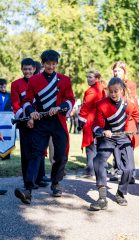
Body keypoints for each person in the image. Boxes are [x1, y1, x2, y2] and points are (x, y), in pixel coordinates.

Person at [14, 49, 75, 204]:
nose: (50, 66)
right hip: (41, 123)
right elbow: (27, 100)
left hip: (58, 121)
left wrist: (60, 107)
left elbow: (70, 100)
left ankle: (56, 182)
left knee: (61, 154)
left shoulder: (64, 80)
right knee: (35, 154)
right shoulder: (35, 80)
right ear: (42, 63)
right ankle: (27, 189)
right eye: (48, 63)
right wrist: (31, 111)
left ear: (57, 64)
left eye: (53, 63)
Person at [90, 77, 139, 211]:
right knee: (98, 161)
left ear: (122, 91)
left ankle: (120, 193)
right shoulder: (101, 104)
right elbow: (96, 124)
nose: (113, 94)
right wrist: (103, 131)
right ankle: (102, 197)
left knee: (128, 168)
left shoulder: (130, 103)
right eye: (111, 92)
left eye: (116, 91)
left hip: (123, 136)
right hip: (108, 137)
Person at [11, 58, 47, 189]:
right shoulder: (16, 84)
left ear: (34, 69)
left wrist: (35, 116)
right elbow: (15, 104)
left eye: (29, 69)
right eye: (25, 69)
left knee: (39, 150)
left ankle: (39, 178)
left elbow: (41, 102)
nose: (27, 71)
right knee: (27, 151)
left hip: (39, 121)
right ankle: (28, 181)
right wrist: (28, 118)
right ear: (21, 69)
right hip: (24, 122)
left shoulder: (40, 82)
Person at [110, 61, 139, 184]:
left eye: (119, 71)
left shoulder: (130, 84)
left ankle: (130, 173)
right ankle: (119, 171)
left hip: (128, 119)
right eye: (115, 71)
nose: (117, 73)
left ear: (124, 72)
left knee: (127, 147)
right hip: (115, 119)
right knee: (116, 146)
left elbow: (130, 101)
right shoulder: (111, 83)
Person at [78, 70, 105, 178]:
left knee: (90, 146)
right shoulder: (101, 88)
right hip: (99, 120)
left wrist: (80, 120)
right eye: (87, 77)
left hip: (90, 120)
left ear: (97, 79)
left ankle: (90, 171)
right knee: (97, 146)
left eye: (91, 77)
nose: (88, 79)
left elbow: (86, 107)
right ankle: (97, 170)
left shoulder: (92, 91)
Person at [0, 78, 12, 160]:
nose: (3, 89)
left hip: (7, 119)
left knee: (7, 136)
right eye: (1, 87)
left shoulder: (9, 95)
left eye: (4, 87)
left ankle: (6, 155)